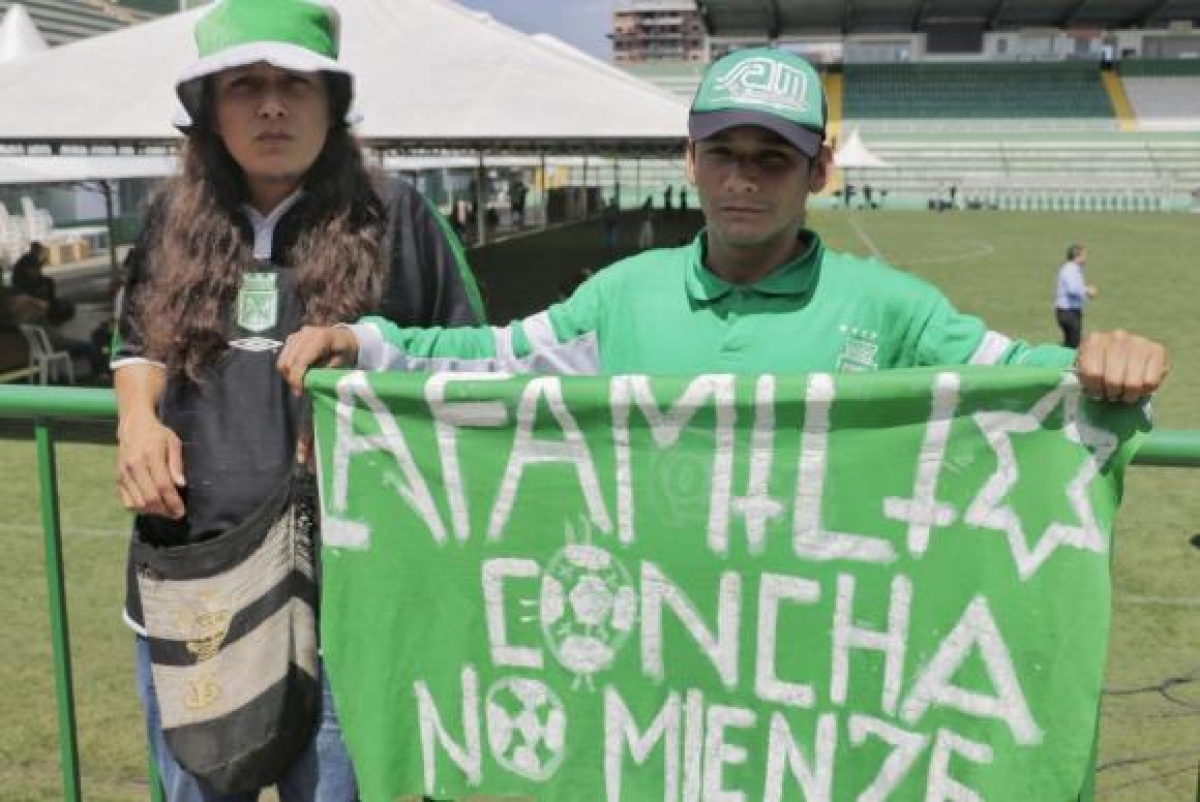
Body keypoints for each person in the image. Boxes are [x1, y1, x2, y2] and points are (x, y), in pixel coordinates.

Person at [279, 47, 1166, 430]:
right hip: (661, 659)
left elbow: (1028, 379)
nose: (745, 178)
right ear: (691, 161)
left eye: (772, 159)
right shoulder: (621, 294)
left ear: (818, 171)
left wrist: (1104, 369)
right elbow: (491, 356)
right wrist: (363, 340)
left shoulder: (894, 308)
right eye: (724, 153)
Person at [111, 0, 482, 799]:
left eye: (295, 83)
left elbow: (473, 366)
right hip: (193, 573)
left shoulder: (398, 214)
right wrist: (137, 420)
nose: (271, 105)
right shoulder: (171, 217)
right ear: (210, 107)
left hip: (351, 584)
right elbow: (136, 344)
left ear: (333, 102)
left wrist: (370, 371)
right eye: (245, 84)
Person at [10, 241, 74, 324]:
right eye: (39, 250)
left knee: (47, 281)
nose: (40, 252)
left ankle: (49, 300)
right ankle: (50, 301)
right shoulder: (28, 258)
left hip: (25, 280)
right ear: (34, 249)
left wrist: (41, 265)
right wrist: (39, 276)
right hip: (22, 282)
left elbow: (35, 272)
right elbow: (32, 273)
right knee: (48, 282)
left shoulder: (32, 257)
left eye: (40, 250)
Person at [1055, 244, 1097, 348]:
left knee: (1070, 344)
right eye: (1084, 255)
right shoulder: (1070, 270)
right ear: (1077, 256)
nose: (1086, 258)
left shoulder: (1071, 269)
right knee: (1075, 345)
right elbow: (1072, 289)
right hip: (1069, 312)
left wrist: (1085, 294)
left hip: (1066, 312)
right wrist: (1088, 290)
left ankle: (1065, 357)